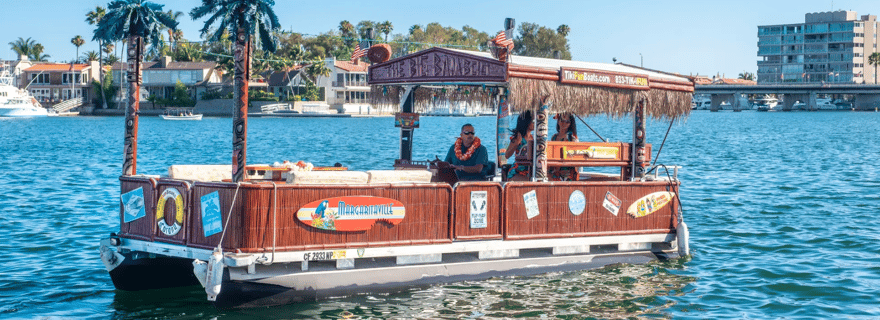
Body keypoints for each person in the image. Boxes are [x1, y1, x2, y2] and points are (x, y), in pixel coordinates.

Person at [505, 109, 535, 181]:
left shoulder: (533, 138)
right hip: (517, 171)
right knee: (531, 181)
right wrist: (516, 143)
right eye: (533, 121)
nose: (535, 123)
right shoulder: (517, 138)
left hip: (530, 171)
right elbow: (507, 155)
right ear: (527, 122)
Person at [550, 113, 579, 181]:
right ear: (558, 121)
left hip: (568, 172)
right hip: (555, 171)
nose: (564, 123)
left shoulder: (572, 138)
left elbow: (576, 156)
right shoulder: (554, 137)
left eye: (567, 122)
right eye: (562, 120)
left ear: (570, 124)